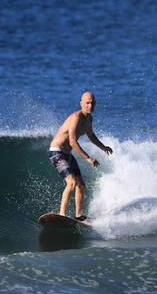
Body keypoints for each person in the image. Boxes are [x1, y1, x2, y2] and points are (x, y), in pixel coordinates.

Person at [48, 91, 113, 220]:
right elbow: (72, 141)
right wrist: (88, 158)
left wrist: (103, 147)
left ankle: (78, 216)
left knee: (81, 185)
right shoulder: (76, 118)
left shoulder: (89, 119)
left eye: (92, 103)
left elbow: (91, 136)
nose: (90, 105)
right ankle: (62, 214)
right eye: (87, 103)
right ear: (81, 104)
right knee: (71, 182)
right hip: (57, 151)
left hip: (67, 153)